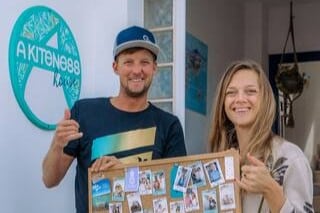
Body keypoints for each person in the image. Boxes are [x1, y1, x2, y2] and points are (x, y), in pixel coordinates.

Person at [42, 25, 187, 212]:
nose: (137, 70)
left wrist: (127, 173)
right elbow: (49, 180)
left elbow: (178, 195)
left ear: (154, 68)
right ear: (115, 67)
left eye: (144, 62)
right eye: (128, 62)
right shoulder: (84, 112)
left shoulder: (169, 125)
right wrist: (57, 144)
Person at [208, 60, 314, 212]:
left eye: (250, 91)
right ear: (222, 102)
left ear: (265, 99)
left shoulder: (291, 158)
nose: (240, 99)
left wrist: (271, 191)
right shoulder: (220, 162)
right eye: (231, 92)